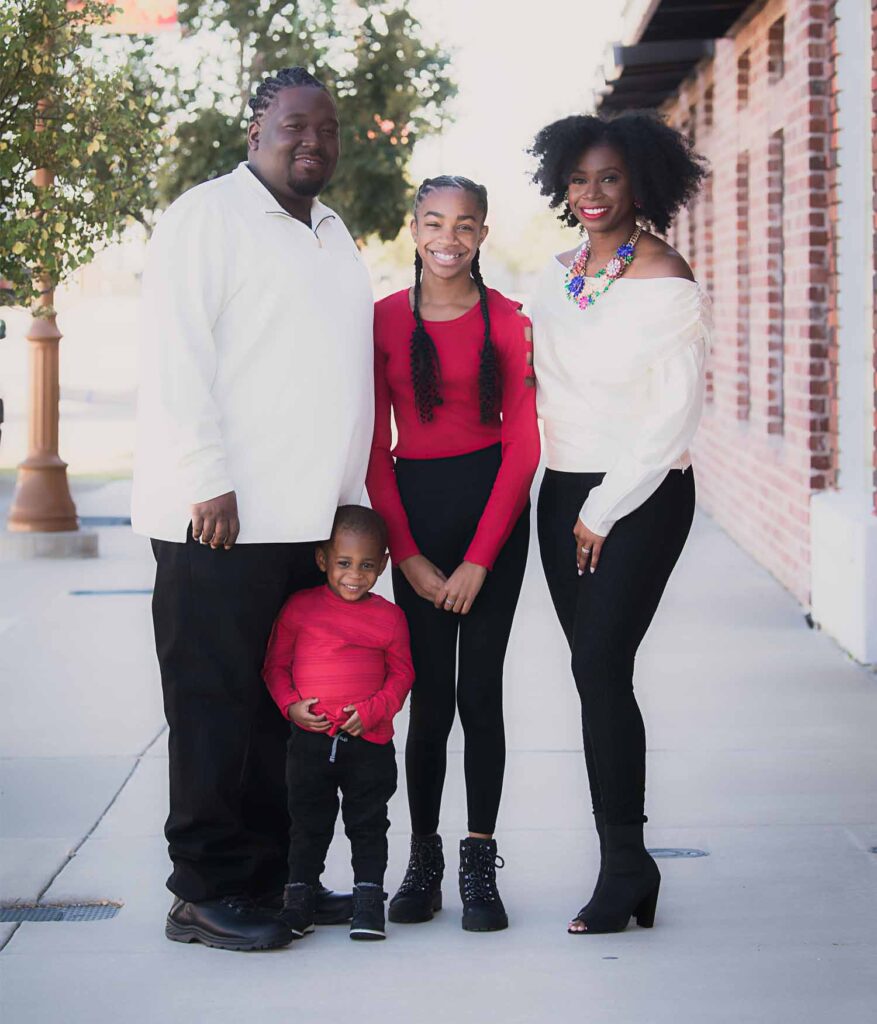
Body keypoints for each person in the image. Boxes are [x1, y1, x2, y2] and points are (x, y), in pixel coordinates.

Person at [132, 67, 374, 951]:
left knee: (281, 708)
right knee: (213, 705)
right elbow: (174, 353)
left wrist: (349, 503)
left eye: (328, 128)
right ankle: (203, 888)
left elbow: (337, 372)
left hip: (302, 521)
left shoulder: (331, 232)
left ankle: (273, 877)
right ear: (255, 132)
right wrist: (206, 476)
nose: (313, 141)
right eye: (294, 126)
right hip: (218, 520)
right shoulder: (208, 216)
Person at [529, 112, 709, 934]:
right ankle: (627, 864)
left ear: (640, 181)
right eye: (578, 179)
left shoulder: (666, 281)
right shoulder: (553, 275)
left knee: (601, 665)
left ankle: (623, 862)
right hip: (561, 494)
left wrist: (601, 511)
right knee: (591, 674)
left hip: (639, 494)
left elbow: (670, 422)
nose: (591, 194)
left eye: (608, 178)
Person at [365, 176, 540, 932]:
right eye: (434, 222)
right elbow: (375, 448)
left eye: (464, 225)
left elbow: (524, 443)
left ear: (482, 234)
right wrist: (406, 557)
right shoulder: (377, 322)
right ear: (413, 228)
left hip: (492, 515)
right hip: (416, 512)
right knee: (430, 701)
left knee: (481, 696)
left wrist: (478, 559)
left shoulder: (507, 319)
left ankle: (478, 862)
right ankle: (423, 859)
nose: (449, 237)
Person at [262, 505, 413, 942]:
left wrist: (372, 711)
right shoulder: (300, 608)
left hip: (369, 744)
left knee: (368, 824)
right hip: (310, 744)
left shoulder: (388, 617)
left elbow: (403, 675)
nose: (355, 575)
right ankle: (299, 904)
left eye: (367, 565)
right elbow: (277, 666)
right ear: (323, 559)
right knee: (308, 825)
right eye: (344, 563)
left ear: (383, 564)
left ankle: (368, 906)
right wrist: (291, 706)